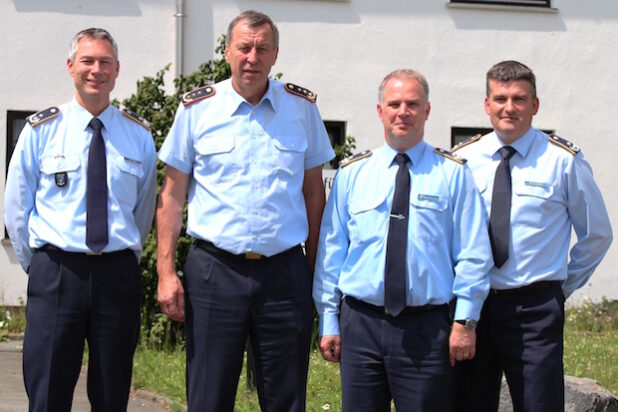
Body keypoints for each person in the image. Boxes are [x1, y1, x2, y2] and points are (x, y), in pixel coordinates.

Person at [156, 10, 335, 412]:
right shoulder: (197, 109)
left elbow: (313, 194)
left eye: (262, 49)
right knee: (208, 395)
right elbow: (171, 196)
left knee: (286, 397)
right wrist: (166, 273)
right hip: (215, 272)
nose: (252, 57)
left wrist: (314, 268)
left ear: (274, 56)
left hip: (284, 275)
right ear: (227, 52)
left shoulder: (301, 109)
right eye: (244, 47)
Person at [312, 69, 493, 411]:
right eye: (394, 104)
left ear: (427, 110)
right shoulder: (353, 173)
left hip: (426, 327)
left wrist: (465, 321)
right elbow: (332, 251)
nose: (403, 112)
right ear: (380, 111)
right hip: (360, 324)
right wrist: (329, 320)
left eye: (412, 104)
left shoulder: (453, 174)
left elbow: (473, 254)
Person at [4, 28, 157, 411]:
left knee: (111, 393)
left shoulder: (138, 136)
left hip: (116, 277)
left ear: (117, 69)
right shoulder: (41, 131)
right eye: (87, 61)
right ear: (71, 66)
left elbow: (142, 211)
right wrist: (38, 264)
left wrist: (122, 258)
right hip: (57, 273)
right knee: (48, 392)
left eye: (105, 62)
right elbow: (16, 209)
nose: (96, 70)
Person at [452, 60, 613, 412]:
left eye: (520, 99)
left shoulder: (562, 161)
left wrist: (560, 288)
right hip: (471, 307)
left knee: (539, 404)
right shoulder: (462, 160)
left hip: (533, 309)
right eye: (501, 98)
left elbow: (597, 234)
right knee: (467, 403)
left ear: (535, 105)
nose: (509, 107)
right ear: (486, 104)